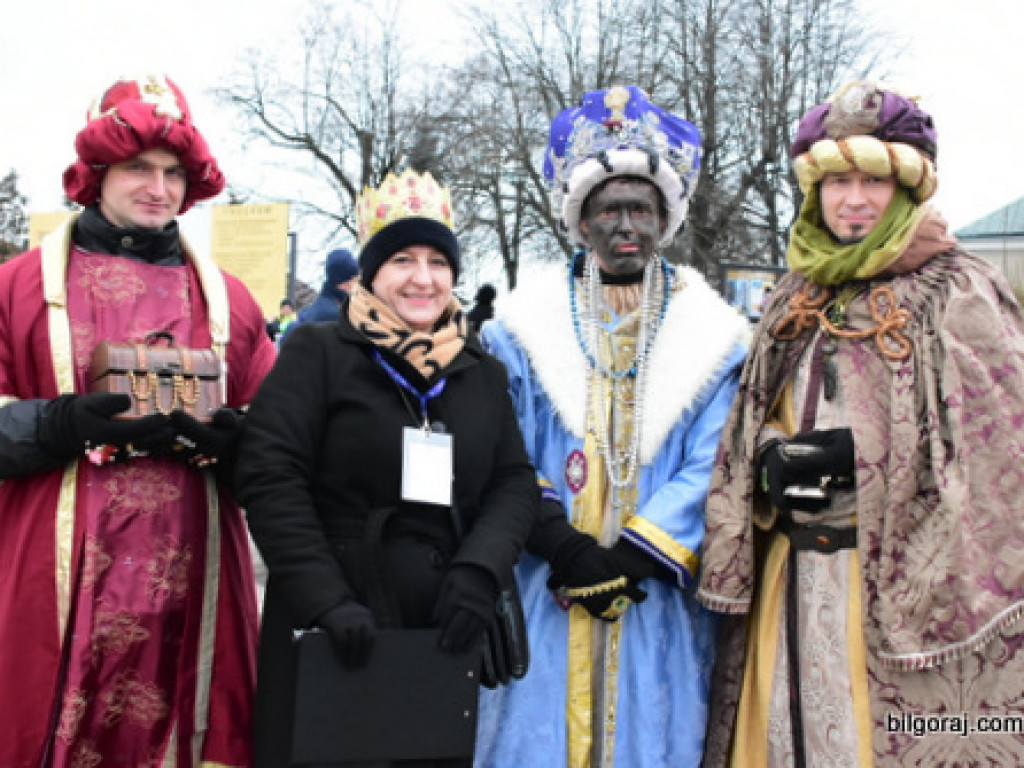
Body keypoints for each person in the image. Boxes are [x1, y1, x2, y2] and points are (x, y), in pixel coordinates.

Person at [698, 80, 1024, 767]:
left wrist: (857, 473)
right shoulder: (795, 292)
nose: (852, 200)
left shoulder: (956, 287)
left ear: (906, 190)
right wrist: (766, 467)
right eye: (836, 181)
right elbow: (747, 422)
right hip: (788, 570)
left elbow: (1002, 450)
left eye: (872, 181)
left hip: (894, 588)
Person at [0, 74, 276, 767]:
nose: (160, 187)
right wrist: (63, 424)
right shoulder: (15, 288)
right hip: (54, 583)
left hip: (194, 588)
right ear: (97, 175)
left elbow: (282, 441)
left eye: (174, 173)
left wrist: (236, 440)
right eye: (139, 168)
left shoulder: (234, 303)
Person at [476, 85, 749, 767]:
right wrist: (567, 549)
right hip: (549, 582)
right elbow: (501, 446)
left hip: (654, 596)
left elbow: (716, 457)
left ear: (664, 219)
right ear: (582, 221)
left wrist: (631, 558)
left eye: (640, 208)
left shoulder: (714, 340)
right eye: (608, 209)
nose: (625, 223)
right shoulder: (520, 331)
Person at [235, 169, 538, 767]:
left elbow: (513, 481)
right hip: (333, 623)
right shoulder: (319, 352)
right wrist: (325, 598)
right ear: (372, 273)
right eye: (402, 259)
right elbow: (270, 475)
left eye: (437, 261)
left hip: (443, 630)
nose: (422, 279)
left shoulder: (480, 369)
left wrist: (480, 571)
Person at [279, 247, 359, 345]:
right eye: (356, 278)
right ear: (346, 282)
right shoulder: (334, 314)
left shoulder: (322, 304)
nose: (357, 283)